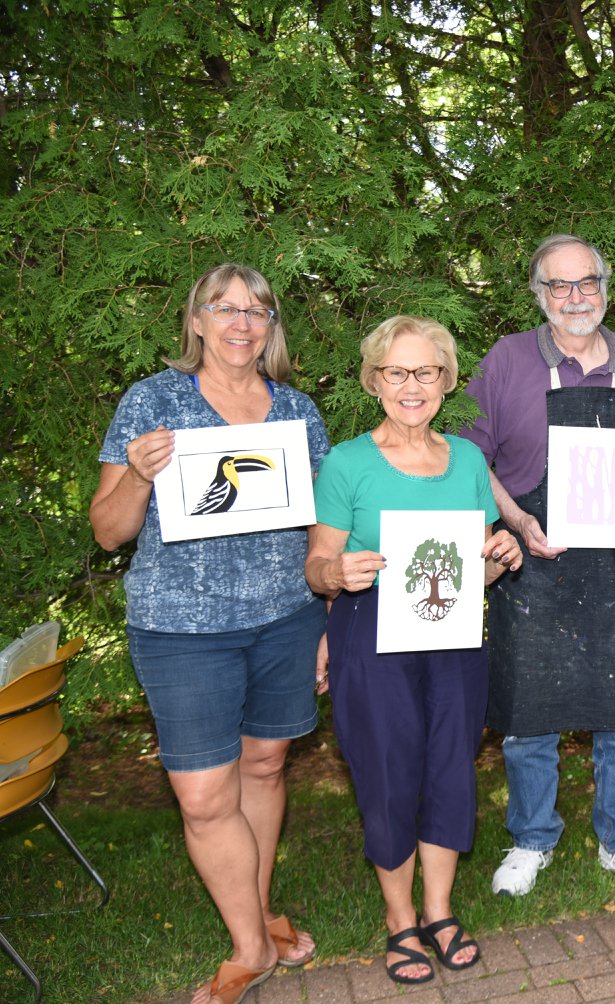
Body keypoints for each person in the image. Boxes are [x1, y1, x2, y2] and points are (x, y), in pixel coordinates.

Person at [90, 264, 327, 1004]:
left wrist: (327, 627)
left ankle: (254, 924)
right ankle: (252, 947)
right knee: (201, 798)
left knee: (263, 770)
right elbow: (107, 532)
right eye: (223, 308)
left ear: (270, 327)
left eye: (257, 310)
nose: (241, 323)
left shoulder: (297, 412)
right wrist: (134, 473)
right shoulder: (152, 403)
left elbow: (323, 527)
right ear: (196, 321)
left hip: (287, 619)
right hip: (182, 629)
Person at [458, 234, 615, 897]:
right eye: (558, 286)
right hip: (533, 558)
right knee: (529, 710)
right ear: (539, 295)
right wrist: (517, 521)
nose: (574, 298)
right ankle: (531, 838)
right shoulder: (506, 361)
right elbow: (471, 455)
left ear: (606, 287)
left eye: (586, 282)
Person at [305, 316, 522, 986]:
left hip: (452, 637)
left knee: (451, 768)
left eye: (425, 371)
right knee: (389, 772)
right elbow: (316, 563)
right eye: (396, 372)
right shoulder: (346, 463)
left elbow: (474, 562)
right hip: (371, 637)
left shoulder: (467, 460)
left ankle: (439, 910)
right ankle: (400, 922)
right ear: (374, 382)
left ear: (445, 381)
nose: (412, 385)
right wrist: (334, 576)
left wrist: (501, 556)